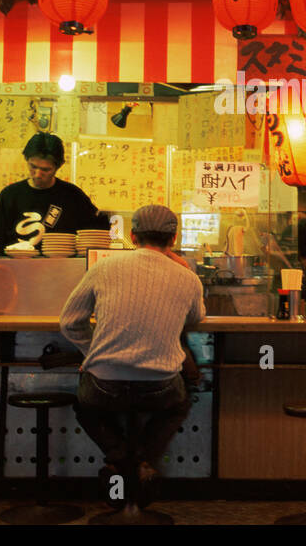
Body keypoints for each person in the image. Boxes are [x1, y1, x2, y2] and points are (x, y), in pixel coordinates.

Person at [60, 204, 205, 505]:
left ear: (132, 236)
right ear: (174, 238)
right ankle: (140, 461)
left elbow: (69, 322)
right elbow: (195, 317)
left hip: (104, 385)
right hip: (160, 386)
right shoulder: (187, 278)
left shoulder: (103, 268)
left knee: (87, 406)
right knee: (178, 403)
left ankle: (117, 458)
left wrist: (92, 352)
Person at [0, 132, 109, 254]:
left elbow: (97, 232)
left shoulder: (72, 195)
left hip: (62, 269)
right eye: (33, 166)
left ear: (59, 166)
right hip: (15, 269)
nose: (38, 174)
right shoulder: (10, 195)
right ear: (26, 159)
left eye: (46, 169)